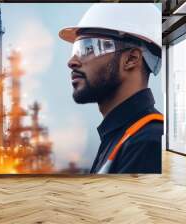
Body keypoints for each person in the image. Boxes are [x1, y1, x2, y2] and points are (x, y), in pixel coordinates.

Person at [59, 3, 164, 174]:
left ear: (131, 59)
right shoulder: (121, 137)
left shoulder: (148, 141)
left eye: (88, 48)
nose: (72, 62)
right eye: (75, 49)